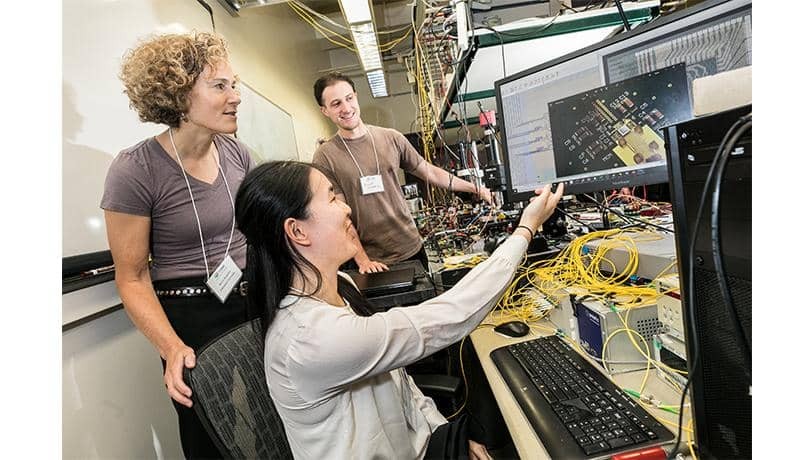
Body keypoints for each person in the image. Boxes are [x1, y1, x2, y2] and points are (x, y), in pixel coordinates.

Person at [234, 160, 563, 460]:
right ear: (297, 231)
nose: (347, 207)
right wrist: (526, 229)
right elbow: (449, 316)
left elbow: (398, 382)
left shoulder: (342, 286)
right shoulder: (309, 339)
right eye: (332, 198)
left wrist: (441, 433)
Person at [100, 32, 258, 459]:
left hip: (250, 298)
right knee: (210, 433)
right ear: (178, 95)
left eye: (234, 84)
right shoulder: (136, 170)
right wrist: (171, 348)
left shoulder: (237, 154)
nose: (236, 96)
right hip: (189, 317)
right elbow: (131, 278)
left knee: (272, 419)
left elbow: (257, 234)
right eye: (220, 86)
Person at [312, 72, 494, 273]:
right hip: (371, 261)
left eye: (349, 98)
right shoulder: (325, 156)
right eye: (336, 104)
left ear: (356, 95)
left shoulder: (391, 138)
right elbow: (339, 213)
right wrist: (362, 260)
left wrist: (476, 188)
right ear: (325, 111)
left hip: (411, 248)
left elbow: (430, 172)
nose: (346, 108)